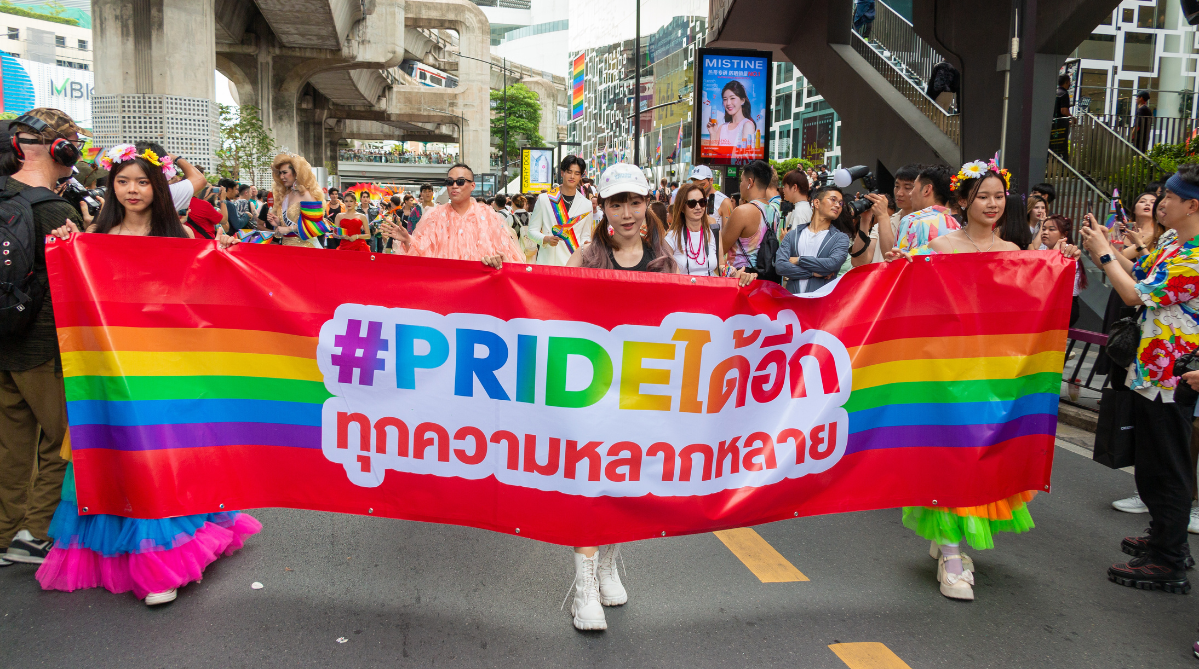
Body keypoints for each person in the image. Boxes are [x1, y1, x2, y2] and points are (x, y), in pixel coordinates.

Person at [39, 145, 252, 605]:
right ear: (111, 186)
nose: (132, 190)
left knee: (156, 456)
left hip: (162, 374)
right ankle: (116, 556)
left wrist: (225, 254)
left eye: (141, 181)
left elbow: (207, 297)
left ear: (158, 187)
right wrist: (65, 242)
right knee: (110, 453)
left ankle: (162, 563)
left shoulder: (178, 239)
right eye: (122, 181)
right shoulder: (92, 238)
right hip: (108, 373)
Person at [545, 163, 751, 631]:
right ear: (604, 208)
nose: (626, 213)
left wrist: (734, 292)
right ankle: (583, 587)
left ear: (647, 205)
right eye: (616, 204)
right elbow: (541, 297)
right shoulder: (587, 256)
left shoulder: (667, 264)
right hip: (588, 394)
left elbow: (695, 321)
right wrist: (501, 274)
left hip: (642, 394)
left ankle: (609, 564)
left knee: (621, 482)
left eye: (634, 203)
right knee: (587, 484)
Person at [887, 158, 1079, 601]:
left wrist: (1061, 260)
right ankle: (953, 557)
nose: (993, 204)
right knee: (950, 456)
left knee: (980, 457)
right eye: (983, 196)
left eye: (998, 196)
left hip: (993, 378)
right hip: (946, 374)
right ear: (962, 200)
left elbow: (1034, 302)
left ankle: (950, 539)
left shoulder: (1014, 254)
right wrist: (902, 269)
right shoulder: (938, 247)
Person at [1082, 164, 1199, 597]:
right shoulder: (1171, 240)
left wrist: (1106, 256)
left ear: (1193, 204)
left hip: (1175, 376)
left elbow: (1134, 293)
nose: (1161, 201)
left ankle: (1169, 559)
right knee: (1151, 461)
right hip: (1149, 368)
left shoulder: (1196, 257)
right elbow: (1139, 272)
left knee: (1168, 466)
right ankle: (1162, 536)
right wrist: (1109, 249)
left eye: (1169, 196)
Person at [0, 108, 87, 567]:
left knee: (10, 446)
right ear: (61, 149)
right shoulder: (53, 208)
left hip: (2, 342)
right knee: (61, 441)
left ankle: (5, 533)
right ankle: (34, 534)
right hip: (44, 348)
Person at [380, 164, 523, 263]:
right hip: (446, 290)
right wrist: (408, 240)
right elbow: (423, 252)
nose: (454, 186)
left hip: (480, 292)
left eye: (460, 182)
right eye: (450, 182)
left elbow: (509, 257)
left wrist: (497, 261)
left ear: (472, 185)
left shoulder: (488, 215)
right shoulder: (434, 216)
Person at [776, 185, 852, 294]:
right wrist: (813, 273)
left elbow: (832, 263)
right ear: (816, 203)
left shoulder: (840, 238)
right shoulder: (793, 235)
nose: (838, 205)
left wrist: (798, 260)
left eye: (840, 203)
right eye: (833, 200)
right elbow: (780, 266)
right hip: (792, 302)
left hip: (821, 304)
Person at [527, 156, 592, 266]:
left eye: (577, 173)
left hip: (573, 264)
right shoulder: (544, 199)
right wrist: (545, 239)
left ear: (581, 176)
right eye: (569, 172)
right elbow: (531, 231)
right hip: (548, 262)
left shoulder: (586, 204)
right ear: (562, 173)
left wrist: (586, 245)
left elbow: (585, 236)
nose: (572, 176)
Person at [722, 160, 777, 273]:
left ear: (750, 182)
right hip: (763, 278)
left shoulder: (742, 212)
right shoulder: (774, 211)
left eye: (742, 180)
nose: (740, 185)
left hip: (740, 276)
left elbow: (720, 248)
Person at [266, 153, 326, 248]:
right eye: (280, 173)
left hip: (305, 250)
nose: (282, 177)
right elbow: (289, 223)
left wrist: (289, 229)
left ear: (296, 173)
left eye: (285, 172)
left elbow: (318, 225)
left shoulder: (306, 194)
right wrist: (279, 222)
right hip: (287, 249)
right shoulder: (285, 195)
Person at [895, 164, 959, 253]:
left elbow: (898, 262)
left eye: (913, 187)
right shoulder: (959, 224)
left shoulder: (912, 221)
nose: (911, 194)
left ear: (926, 190)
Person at [666, 182, 725, 276]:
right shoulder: (671, 238)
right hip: (684, 289)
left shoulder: (714, 233)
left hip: (710, 289)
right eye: (692, 203)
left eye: (702, 202)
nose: (698, 207)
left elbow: (721, 266)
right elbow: (668, 274)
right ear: (681, 207)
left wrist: (731, 272)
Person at [1039, 215, 1087, 325]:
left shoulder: (1068, 252)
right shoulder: (1042, 249)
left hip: (1065, 305)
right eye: (1043, 229)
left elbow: (1052, 283)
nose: (1045, 232)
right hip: (1047, 301)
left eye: (1051, 229)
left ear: (1064, 234)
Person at [714, 81, 757, 148]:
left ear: (742, 100)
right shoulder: (722, 127)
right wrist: (712, 133)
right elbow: (712, 154)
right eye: (725, 99)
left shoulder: (747, 125)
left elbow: (745, 156)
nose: (728, 103)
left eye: (732, 98)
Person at [780, 169, 812, 239]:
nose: (783, 190)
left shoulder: (799, 212)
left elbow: (795, 246)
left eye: (785, 187)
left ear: (795, 187)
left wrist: (784, 240)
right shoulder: (803, 208)